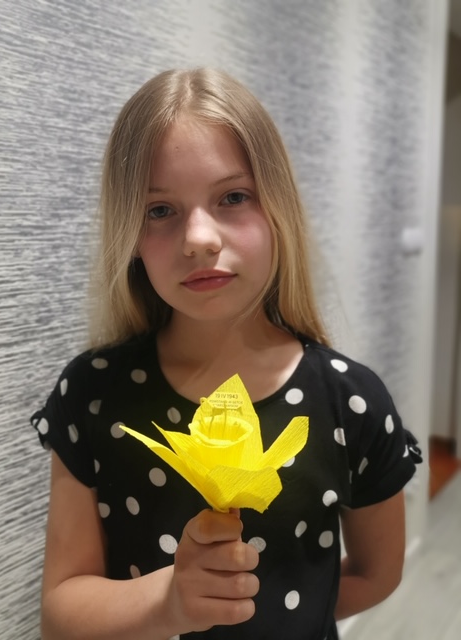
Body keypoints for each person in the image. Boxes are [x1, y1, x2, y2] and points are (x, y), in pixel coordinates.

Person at [32, 68, 421, 640]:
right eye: (159, 210)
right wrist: (170, 603)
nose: (199, 238)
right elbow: (60, 612)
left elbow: (374, 573)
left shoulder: (350, 401)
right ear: (129, 234)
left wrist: (282, 611)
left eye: (233, 197)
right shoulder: (92, 394)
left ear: (278, 208)